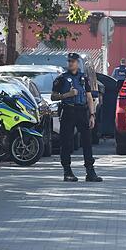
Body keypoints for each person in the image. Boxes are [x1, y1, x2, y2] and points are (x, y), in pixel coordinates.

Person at [51, 53, 102, 182]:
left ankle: (90, 171)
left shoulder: (83, 78)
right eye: (69, 61)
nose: (70, 63)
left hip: (82, 111)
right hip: (68, 111)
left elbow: (89, 97)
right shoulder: (61, 79)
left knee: (87, 142)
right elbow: (53, 96)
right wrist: (67, 95)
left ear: (77, 63)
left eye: (73, 61)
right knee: (66, 142)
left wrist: (92, 115)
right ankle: (67, 171)